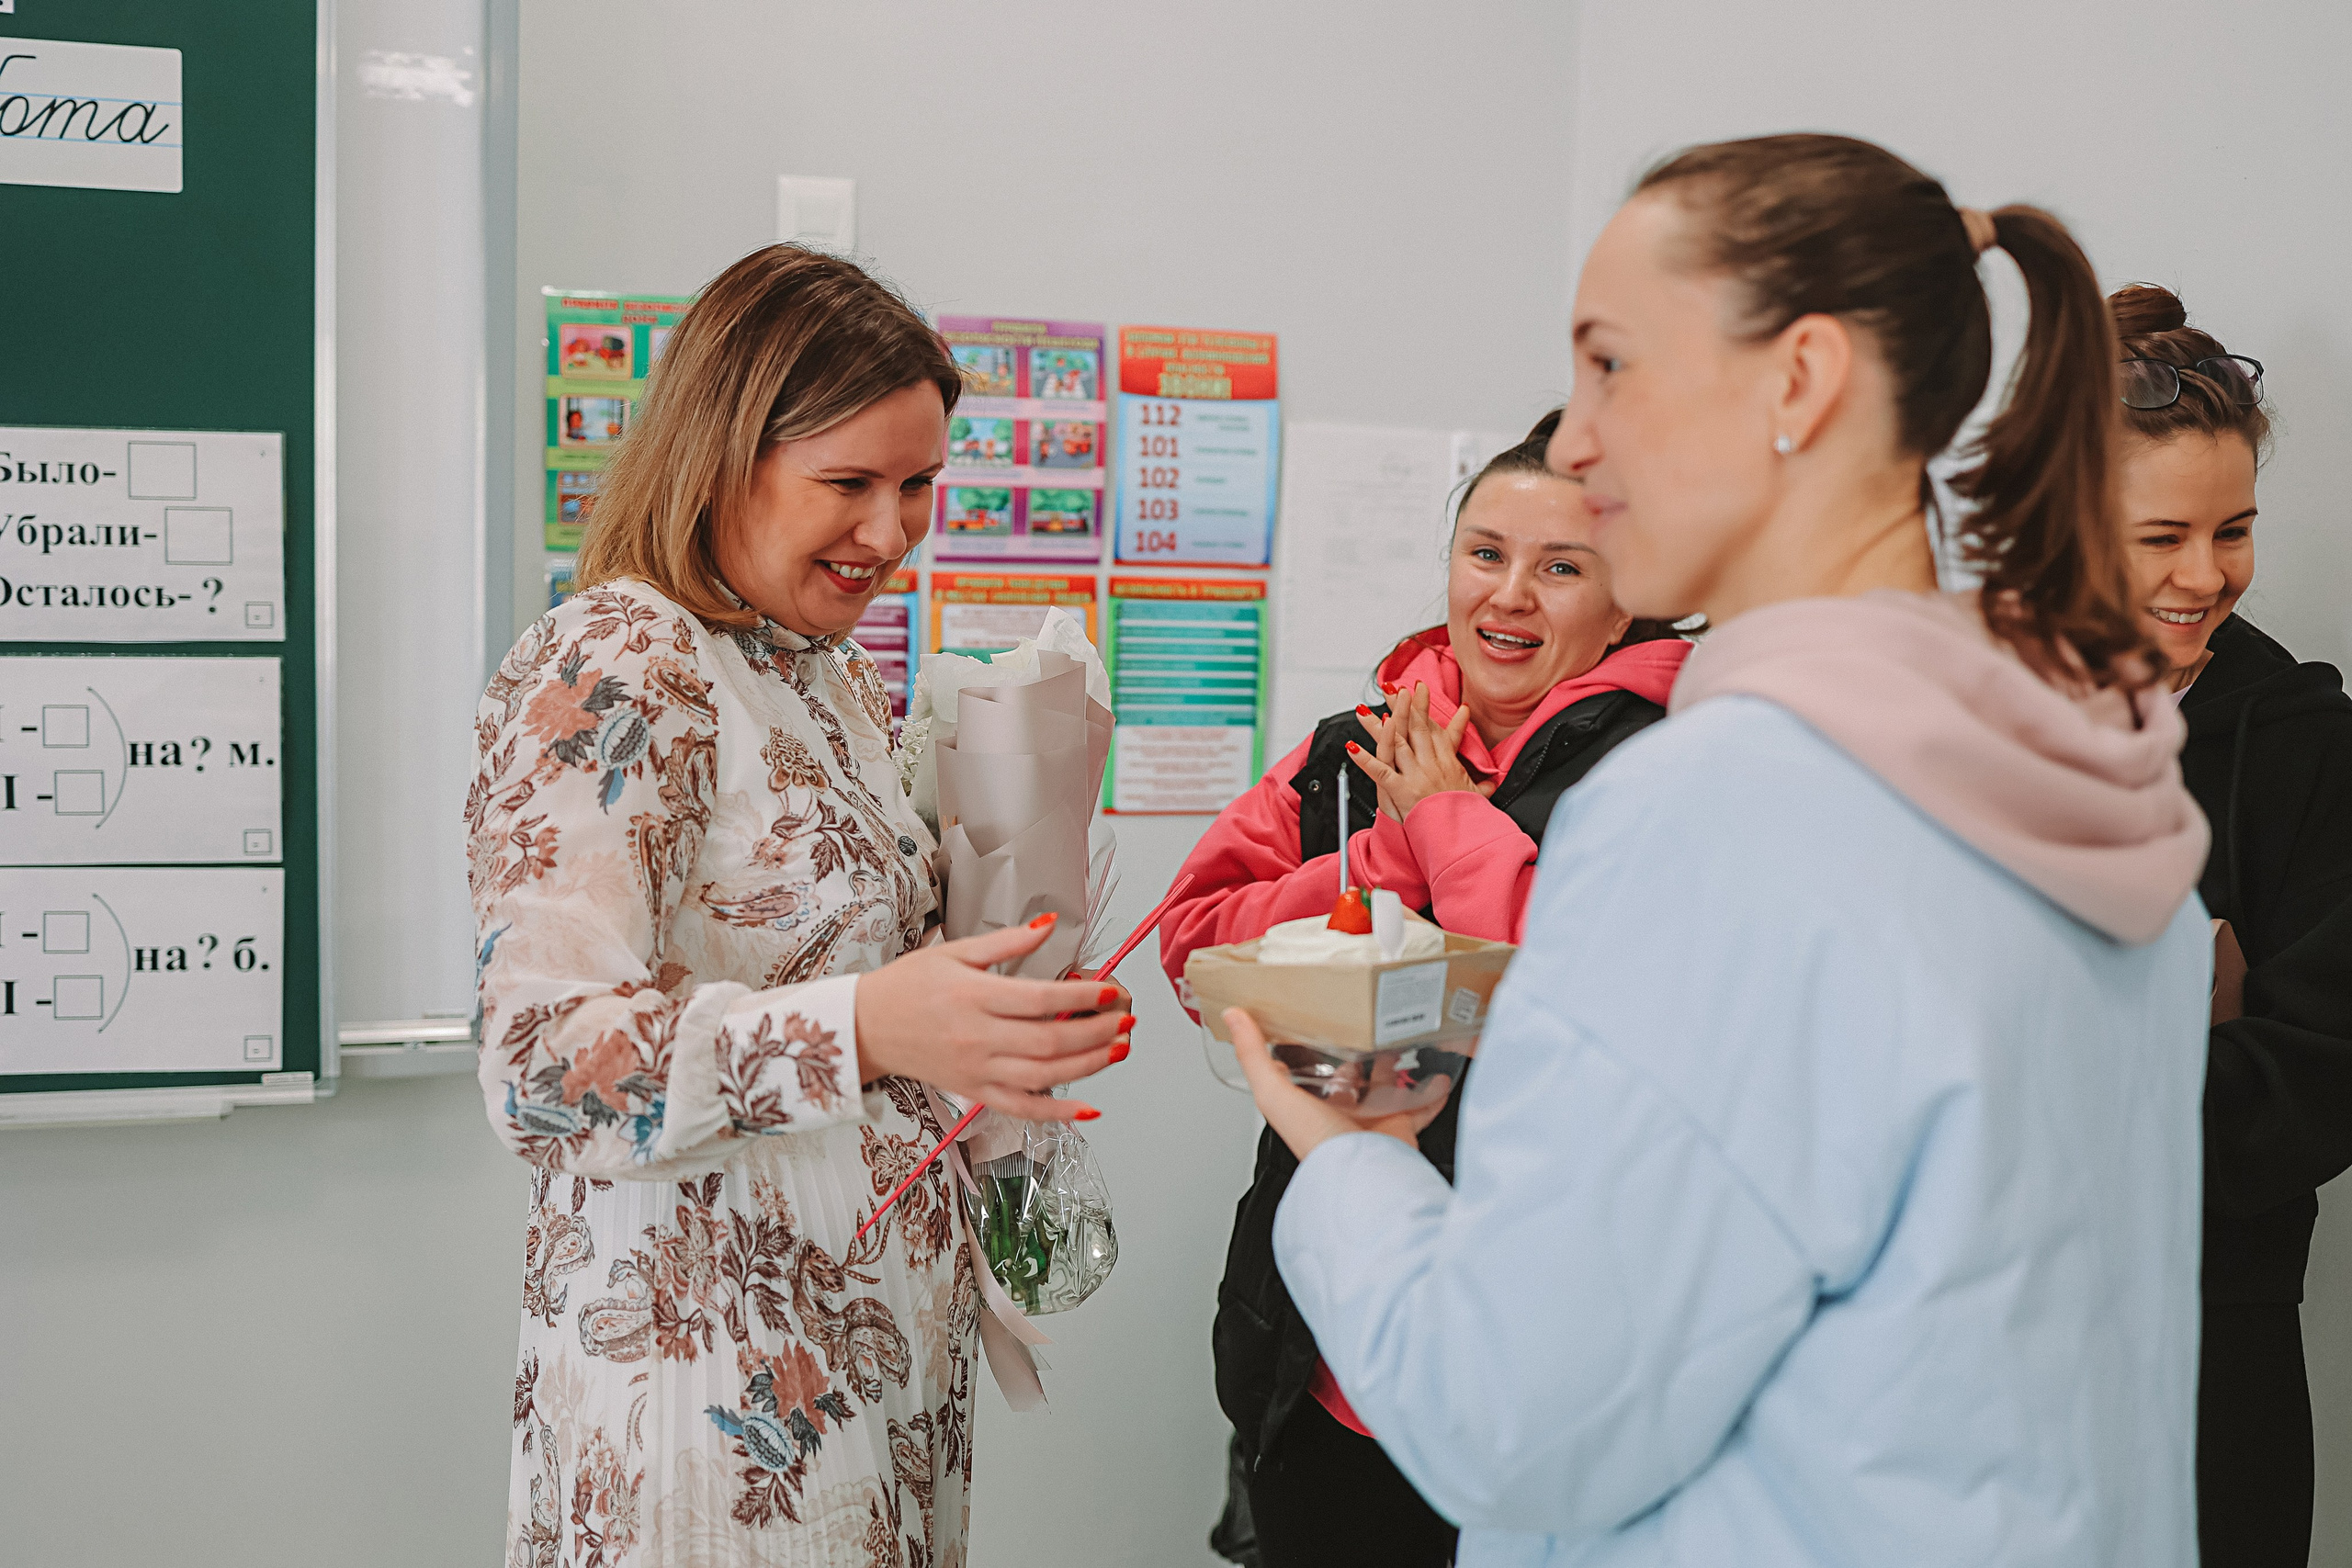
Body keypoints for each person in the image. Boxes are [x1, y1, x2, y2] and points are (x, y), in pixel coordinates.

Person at [1226, 133, 2213, 1567]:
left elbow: (1518, 1410)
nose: (1572, 440)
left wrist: (1346, 1162)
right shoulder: (2085, 773)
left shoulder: (1729, 806)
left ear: (1800, 381)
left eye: (1610, 366)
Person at [468, 244, 1130, 1568]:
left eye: (920, 486)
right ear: (722, 456)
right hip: (708, 1422)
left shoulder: (824, 679)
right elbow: (543, 1070)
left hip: (871, 1388)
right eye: (849, 484)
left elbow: (857, 978)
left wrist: (999, 1002)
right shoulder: (620, 656)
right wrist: (877, 1026)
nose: (890, 535)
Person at [1162, 413, 1690, 1568]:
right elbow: (1194, 951)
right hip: (1325, 1345)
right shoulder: (1348, 752)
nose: (1509, 595)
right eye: (1485, 552)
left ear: (1630, 600)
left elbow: (1574, 1011)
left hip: (1551, 1343)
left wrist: (1450, 824)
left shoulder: (1671, 766)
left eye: (1562, 567)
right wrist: (1378, 860)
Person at [2108, 282, 2352, 1568]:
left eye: (2236, 528)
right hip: (1964, 1317)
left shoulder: (2304, 741)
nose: (2204, 575)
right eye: (2162, 536)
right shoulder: (1961, 714)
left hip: (2208, 1320)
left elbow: (2323, 1061)